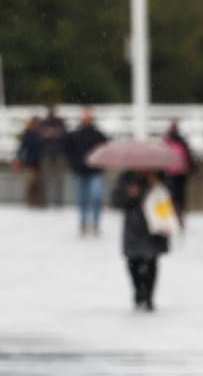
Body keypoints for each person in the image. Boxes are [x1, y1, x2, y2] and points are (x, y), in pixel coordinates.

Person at [112, 170, 169, 311]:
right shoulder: (127, 178)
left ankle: (149, 296)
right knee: (133, 262)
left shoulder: (160, 176)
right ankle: (138, 293)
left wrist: (156, 183)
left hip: (154, 227)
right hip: (133, 228)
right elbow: (116, 200)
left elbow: (172, 197)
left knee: (151, 262)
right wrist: (129, 195)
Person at [66, 108, 108, 236]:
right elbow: (69, 151)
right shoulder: (75, 135)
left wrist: (100, 166)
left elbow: (105, 151)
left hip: (94, 172)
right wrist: (75, 165)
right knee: (82, 199)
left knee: (96, 197)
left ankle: (95, 222)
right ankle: (83, 222)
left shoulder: (98, 135)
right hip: (81, 172)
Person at [162, 119, 195, 227]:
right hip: (176, 174)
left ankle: (176, 218)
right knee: (177, 198)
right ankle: (177, 218)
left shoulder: (170, 140)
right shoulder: (178, 141)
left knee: (174, 198)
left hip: (173, 174)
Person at [38, 105, 68, 208]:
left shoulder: (60, 122)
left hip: (59, 154)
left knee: (59, 179)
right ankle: (46, 201)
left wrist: (54, 133)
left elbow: (65, 135)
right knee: (47, 179)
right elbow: (39, 137)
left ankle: (58, 201)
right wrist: (47, 134)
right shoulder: (44, 123)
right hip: (47, 154)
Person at [15, 116, 44, 208]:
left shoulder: (39, 134)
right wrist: (18, 158)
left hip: (39, 162)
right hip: (30, 162)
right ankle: (29, 202)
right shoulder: (28, 134)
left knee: (39, 184)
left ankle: (38, 203)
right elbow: (22, 147)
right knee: (31, 183)